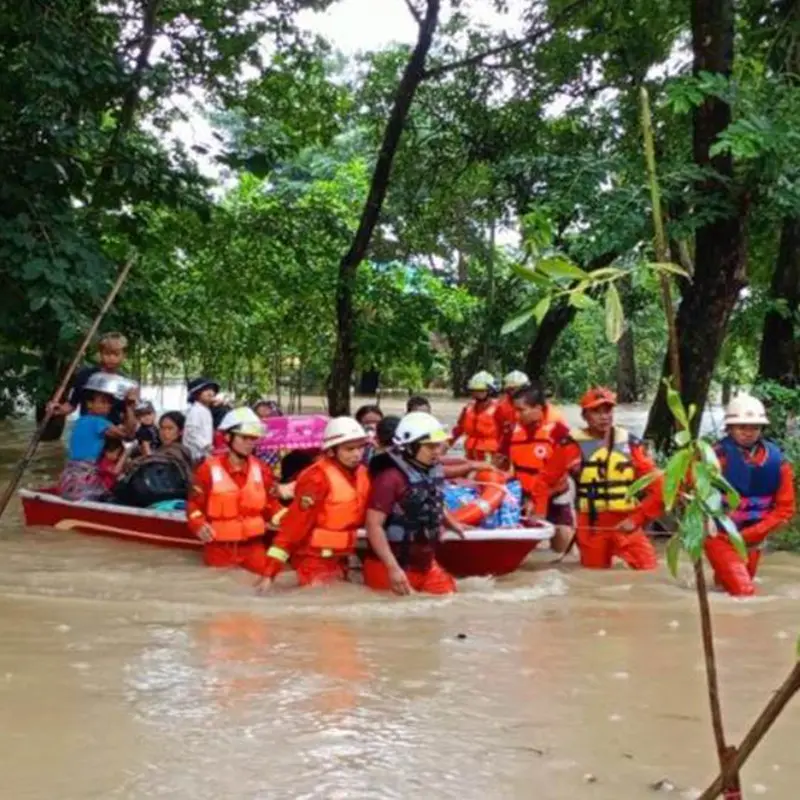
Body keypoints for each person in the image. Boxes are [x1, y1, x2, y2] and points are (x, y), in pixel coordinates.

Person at [529, 387, 662, 570]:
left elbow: (660, 486)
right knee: (593, 575)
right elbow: (544, 481)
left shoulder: (630, 444)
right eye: (596, 411)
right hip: (591, 526)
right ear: (584, 415)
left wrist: (638, 518)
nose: (604, 416)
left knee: (648, 570)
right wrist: (540, 514)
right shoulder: (570, 445)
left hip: (627, 522)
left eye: (607, 410)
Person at [261, 417, 370, 588]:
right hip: (313, 560)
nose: (357, 454)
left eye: (360, 448)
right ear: (332, 451)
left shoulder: (363, 474)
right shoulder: (316, 478)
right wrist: (270, 572)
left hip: (342, 556)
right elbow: (293, 528)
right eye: (349, 449)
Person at [364, 412, 464, 595]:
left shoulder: (431, 472)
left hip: (424, 565)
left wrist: (454, 525)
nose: (437, 451)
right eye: (430, 447)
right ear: (409, 447)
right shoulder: (390, 478)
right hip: (389, 567)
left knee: (451, 601)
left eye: (438, 446)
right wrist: (393, 569)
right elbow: (373, 525)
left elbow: (431, 502)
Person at [706, 394, 796, 596]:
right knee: (744, 591)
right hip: (720, 535)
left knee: (726, 588)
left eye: (754, 427)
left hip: (754, 538)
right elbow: (687, 489)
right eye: (742, 427)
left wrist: (753, 533)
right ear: (729, 428)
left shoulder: (777, 462)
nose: (748, 433)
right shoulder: (713, 457)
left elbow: (786, 509)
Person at [186, 408, 282, 576]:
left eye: (253, 438)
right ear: (228, 437)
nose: (250, 443)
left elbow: (271, 505)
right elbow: (194, 505)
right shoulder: (207, 470)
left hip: (254, 548)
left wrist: (288, 516)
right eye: (244, 438)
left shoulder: (263, 470)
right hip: (219, 549)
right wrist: (198, 524)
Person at [502, 383, 574, 552]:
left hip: (556, 492)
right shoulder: (511, 432)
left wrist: (540, 499)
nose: (516, 415)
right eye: (515, 410)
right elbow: (500, 466)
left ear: (538, 408)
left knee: (563, 546)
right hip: (524, 495)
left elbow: (568, 470)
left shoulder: (559, 431)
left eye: (521, 410)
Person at [59, 373, 138, 501]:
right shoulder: (99, 422)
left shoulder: (80, 420)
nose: (107, 406)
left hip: (69, 475)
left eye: (108, 403)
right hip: (84, 478)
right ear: (89, 404)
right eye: (102, 402)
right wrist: (129, 407)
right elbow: (129, 434)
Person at [49, 332, 132, 424]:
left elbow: (128, 414)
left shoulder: (126, 383)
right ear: (100, 354)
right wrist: (57, 409)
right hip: (87, 429)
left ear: (124, 356)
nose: (111, 358)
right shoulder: (85, 376)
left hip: (112, 432)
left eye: (116, 354)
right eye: (107, 354)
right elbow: (72, 405)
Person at [449, 371, 502, 462]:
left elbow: (507, 433)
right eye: (475, 390)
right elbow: (459, 429)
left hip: (491, 454)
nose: (477, 393)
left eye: (481, 390)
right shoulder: (468, 408)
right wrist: (447, 443)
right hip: (470, 453)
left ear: (489, 390)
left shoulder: (499, 408)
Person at [183, 377, 219, 464]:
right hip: (196, 455)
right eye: (206, 390)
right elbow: (192, 432)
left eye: (212, 390)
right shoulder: (195, 410)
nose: (211, 393)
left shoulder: (205, 410)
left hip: (203, 454)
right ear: (196, 393)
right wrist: (206, 445)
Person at [496, 370, 529, 437]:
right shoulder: (502, 406)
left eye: (518, 388)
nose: (515, 392)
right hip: (508, 440)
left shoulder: (533, 403)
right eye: (511, 389)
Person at [253, 399, 282, 468]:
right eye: (260, 416)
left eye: (268, 416)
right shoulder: (250, 438)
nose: (264, 419)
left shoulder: (285, 438)